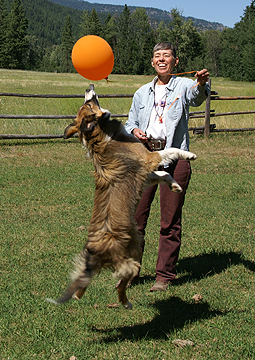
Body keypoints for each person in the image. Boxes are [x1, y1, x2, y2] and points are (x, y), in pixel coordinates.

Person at [125, 42, 210, 291]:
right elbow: (130, 122)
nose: (161, 60)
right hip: (145, 158)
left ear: (175, 62)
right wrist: (135, 131)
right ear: (152, 62)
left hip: (175, 158)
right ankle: (131, 273)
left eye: (167, 56)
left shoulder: (184, 85)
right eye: (157, 56)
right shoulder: (141, 92)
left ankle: (164, 276)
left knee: (169, 220)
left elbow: (197, 97)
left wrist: (202, 83)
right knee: (136, 218)